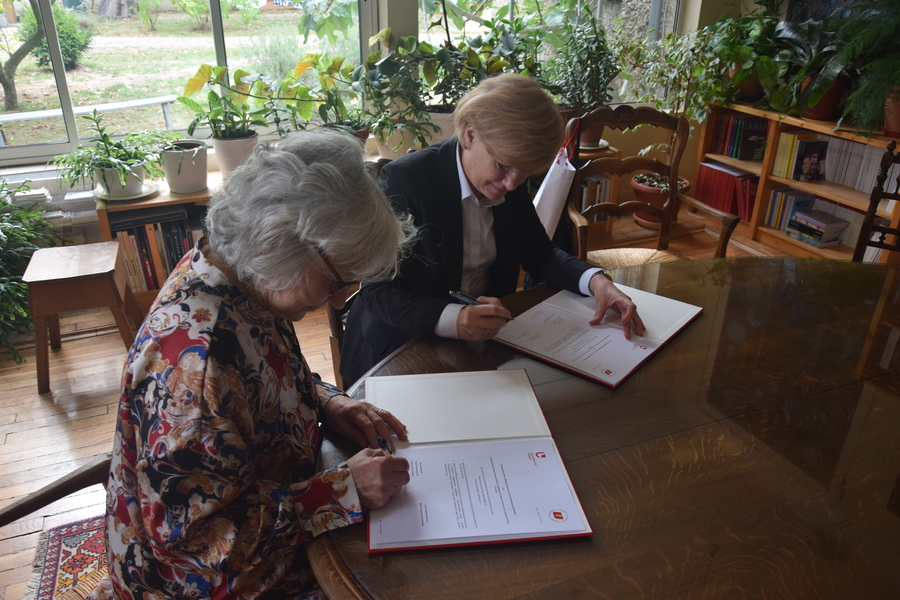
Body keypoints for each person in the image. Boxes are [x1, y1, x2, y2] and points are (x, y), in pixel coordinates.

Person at [90, 130, 415, 600]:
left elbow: (267, 376)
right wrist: (342, 491)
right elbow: (201, 544)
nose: (341, 299)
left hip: (268, 513)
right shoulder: (197, 366)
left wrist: (328, 401)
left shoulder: (238, 274)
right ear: (279, 242)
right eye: (337, 281)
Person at [341, 74, 644, 386]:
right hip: (403, 344)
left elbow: (539, 253)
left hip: (485, 341)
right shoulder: (406, 181)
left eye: (524, 172)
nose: (512, 184)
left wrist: (594, 280)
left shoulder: (509, 180)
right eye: (503, 165)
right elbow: (378, 292)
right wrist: (454, 319)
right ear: (470, 135)